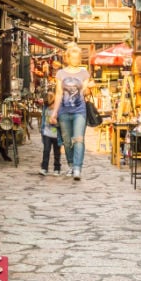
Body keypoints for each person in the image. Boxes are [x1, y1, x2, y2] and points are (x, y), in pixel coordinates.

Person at [50, 43, 92, 180]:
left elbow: (85, 91)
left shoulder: (84, 73)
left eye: (77, 58)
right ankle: (71, 165)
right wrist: (54, 113)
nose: (75, 60)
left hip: (79, 111)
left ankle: (78, 168)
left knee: (78, 139)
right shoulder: (61, 74)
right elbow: (58, 94)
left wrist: (88, 88)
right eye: (73, 58)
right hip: (64, 112)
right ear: (67, 58)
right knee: (67, 141)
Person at [39, 92, 62, 176]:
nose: (50, 107)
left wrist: (56, 122)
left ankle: (57, 168)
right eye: (48, 105)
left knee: (57, 152)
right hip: (46, 133)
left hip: (56, 134)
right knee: (46, 150)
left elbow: (62, 123)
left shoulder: (59, 109)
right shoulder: (46, 106)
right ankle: (44, 168)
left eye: (51, 105)